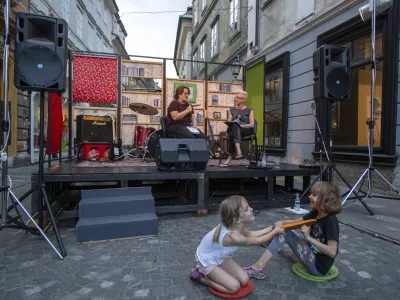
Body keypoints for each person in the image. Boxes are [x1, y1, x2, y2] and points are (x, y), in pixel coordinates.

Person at [243, 182, 342, 279]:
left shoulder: (331, 221)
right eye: (311, 193)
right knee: (284, 230)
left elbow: (332, 252)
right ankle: (269, 240)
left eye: (314, 195)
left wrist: (308, 238)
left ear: (325, 200)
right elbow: (296, 223)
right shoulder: (316, 212)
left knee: (284, 232)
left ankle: (258, 267)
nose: (310, 196)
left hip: (318, 267)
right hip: (312, 253)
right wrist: (280, 223)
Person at [189, 195, 285, 294]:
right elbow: (259, 241)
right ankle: (202, 278)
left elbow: (252, 234)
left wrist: (272, 228)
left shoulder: (236, 226)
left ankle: (217, 271)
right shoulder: (233, 237)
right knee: (234, 288)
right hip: (207, 261)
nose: (251, 209)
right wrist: (274, 232)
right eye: (247, 209)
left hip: (220, 257)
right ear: (237, 219)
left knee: (244, 280)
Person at [219, 90, 255, 167]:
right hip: (234, 129)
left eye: (238, 97)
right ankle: (239, 152)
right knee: (233, 128)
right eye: (235, 97)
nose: (235, 99)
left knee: (233, 131)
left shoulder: (249, 110)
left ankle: (229, 159)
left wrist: (241, 126)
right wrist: (230, 122)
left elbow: (252, 125)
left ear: (243, 100)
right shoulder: (231, 110)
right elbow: (229, 122)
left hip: (245, 130)